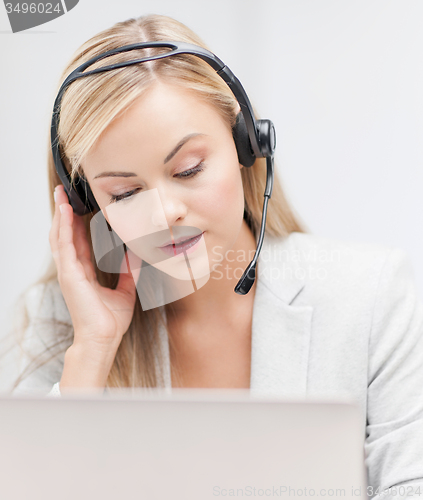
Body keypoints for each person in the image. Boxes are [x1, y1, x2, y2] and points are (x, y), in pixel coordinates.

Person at [6, 13, 423, 496]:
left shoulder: (371, 297)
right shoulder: (57, 325)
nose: (164, 214)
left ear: (247, 144)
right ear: (85, 204)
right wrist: (93, 354)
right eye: (123, 194)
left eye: (188, 169)